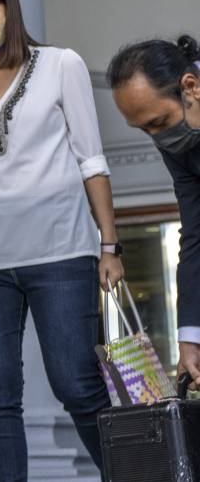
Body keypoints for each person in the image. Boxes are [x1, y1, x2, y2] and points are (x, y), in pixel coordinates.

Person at [0, 0, 124, 480]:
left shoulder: (60, 65)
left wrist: (110, 247)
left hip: (62, 255)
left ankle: (135, 473)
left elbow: (92, 160)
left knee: (78, 384)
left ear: (8, 10)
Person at [108, 34, 200, 391]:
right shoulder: (180, 142)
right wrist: (190, 334)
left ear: (189, 86)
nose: (157, 137)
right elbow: (194, 236)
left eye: (158, 122)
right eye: (145, 129)